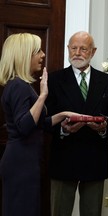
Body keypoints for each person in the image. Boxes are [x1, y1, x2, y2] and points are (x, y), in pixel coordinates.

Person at [0, 33, 78, 216]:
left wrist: (63, 115)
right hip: (20, 162)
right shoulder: (19, 86)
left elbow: (38, 123)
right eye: (38, 51)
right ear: (24, 54)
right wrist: (43, 95)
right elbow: (24, 126)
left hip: (24, 160)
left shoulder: (21, 85)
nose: (43, 54)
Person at [45, 31, 108, 216]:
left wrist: (104, 129)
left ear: (93, 52)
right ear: (68, 49)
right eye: (73, 48)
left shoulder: (107, 81)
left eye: (83, 48)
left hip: (94, 156)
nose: (77, 52)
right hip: (63, 156)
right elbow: (46, 119)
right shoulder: (55, 80)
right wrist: (63, 129)